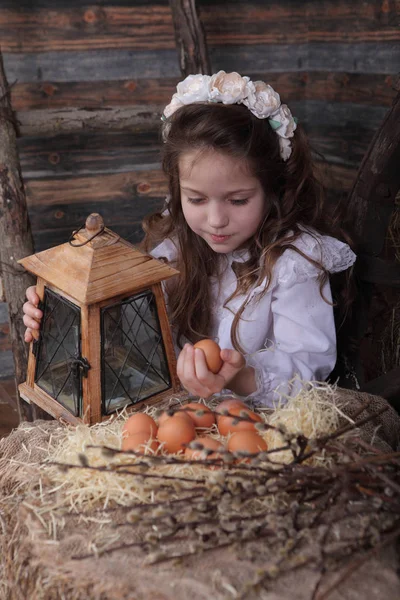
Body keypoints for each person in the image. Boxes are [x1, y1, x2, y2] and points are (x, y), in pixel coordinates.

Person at [23, 71, 356, 407]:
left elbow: (309, 371)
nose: (215, 220)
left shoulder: (294, 261)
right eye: (196, 199)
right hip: (182, 416)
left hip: (262, 421)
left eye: (238, 200)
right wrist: (59, 313)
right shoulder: (178, 243)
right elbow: (130, 323)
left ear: (273, 190)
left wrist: (237, 377)